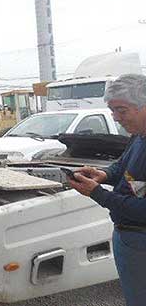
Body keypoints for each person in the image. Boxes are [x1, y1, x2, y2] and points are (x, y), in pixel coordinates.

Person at [69, 74, 146, 306]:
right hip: (128, 237)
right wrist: (103, 175)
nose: (116, 117)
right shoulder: (138, 136)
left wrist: (97, 193)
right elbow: (122, 166)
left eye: (122, 110)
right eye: (112, 110)